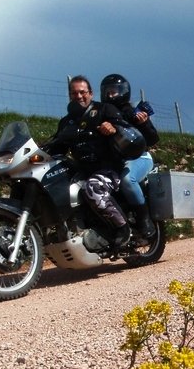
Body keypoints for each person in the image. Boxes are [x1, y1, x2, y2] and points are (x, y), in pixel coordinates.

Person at [49, 75, 132, 249]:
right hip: (82, 170)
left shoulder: (105, 110)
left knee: (93, 186)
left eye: (82, 92)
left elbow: (124, 128)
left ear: (91, 93)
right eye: (74, 93)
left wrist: (113, 128)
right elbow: (57, 146)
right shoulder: (66, 122)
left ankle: (123, 229)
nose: (78, 96)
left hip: (109, 168)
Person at [100, 73, 159, 239]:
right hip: (117, 161)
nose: (111, 95)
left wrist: (144, 123)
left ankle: (144, 219)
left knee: (127, 180)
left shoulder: (133, 112)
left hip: (140, 157)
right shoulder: (102, 114)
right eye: (108, 91)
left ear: (124, 91)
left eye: (115, 91)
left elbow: (153, 139)